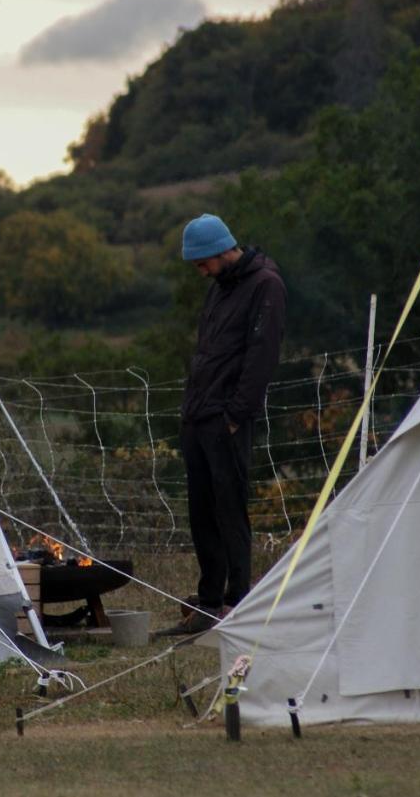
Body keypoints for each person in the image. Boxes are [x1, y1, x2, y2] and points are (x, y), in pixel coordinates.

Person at [157, 213, 286, 636]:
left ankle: (237, 603)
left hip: (227, 418)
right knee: (202, 512)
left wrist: (235, 415)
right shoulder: (219, 288)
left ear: (220, 251)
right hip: (198, 415)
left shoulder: (265, 285)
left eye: (202, 263)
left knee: (230, 512)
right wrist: (191, 410)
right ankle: (209, 602)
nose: (201, 272)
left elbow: (260, 357)